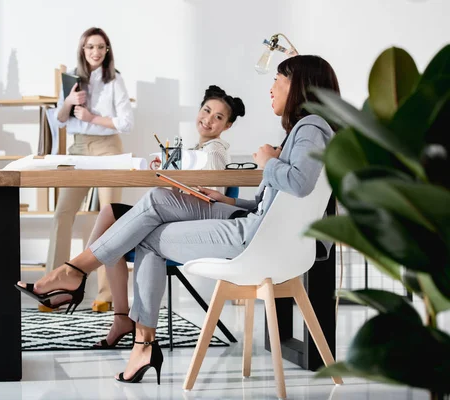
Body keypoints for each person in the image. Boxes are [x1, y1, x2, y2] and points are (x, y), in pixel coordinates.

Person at [17, 54, 340, 384]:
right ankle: (78, 276)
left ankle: (108, 307)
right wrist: (227, 198)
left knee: (147, 236)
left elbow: (300, 184)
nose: (271, 88)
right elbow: (268, 203)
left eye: (279, 79)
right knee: (158, 200)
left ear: (299, 85)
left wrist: (268, 162)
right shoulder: (308, 128)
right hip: (257, 225)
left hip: (254, 237)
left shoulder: (311, 127)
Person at [83, 85, 245, 348]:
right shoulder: (196, 149)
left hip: (192, 228)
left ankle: (113, 306)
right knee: (110, 216)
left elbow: (211, 193)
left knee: (113, 226)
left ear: (226, 126)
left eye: (218, 117)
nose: (209, 119)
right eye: (206, 110)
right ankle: (120, 315)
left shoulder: (214, 150)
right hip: (179, 217)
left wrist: (178, 182)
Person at [43, 27, 134, 312]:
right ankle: (53, 287)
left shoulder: (114, 80)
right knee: (62, 213)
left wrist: (93, 117)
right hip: (79, 148)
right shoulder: (71, 79)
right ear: (83, 49)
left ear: (107, 51)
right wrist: (69, 102)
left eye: (101, 47)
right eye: (90, 47)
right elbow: (58, 121)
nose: (96, 52)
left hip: (108, 148)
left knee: (110, 222)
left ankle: (106, 294)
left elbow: (126, 122)